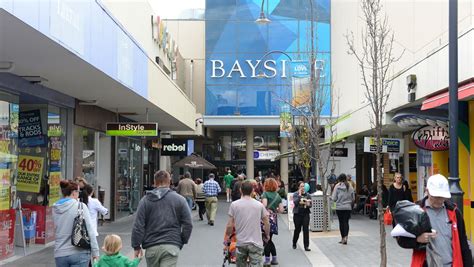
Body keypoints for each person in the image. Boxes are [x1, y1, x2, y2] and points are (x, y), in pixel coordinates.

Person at [397, 174, 472, 266]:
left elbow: (463, 243)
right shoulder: (416, 211)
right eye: (436, 197)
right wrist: (417, 239)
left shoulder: (454, 212)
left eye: (442, 197)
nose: (439, 200)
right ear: (427, 191)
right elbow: (401, 240)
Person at [131, 170, 193, 266]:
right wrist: (182, 240)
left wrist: (136, 246)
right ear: (169, 182)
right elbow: (188, 224)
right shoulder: (180, 200)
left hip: (152, 246)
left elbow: (138, 225)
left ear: (155, 182)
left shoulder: (145, 200)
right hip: (171, 244)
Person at [53, 180, 99, 266]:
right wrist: (95, 253)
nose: (79, 194)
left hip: (60, 253)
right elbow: (90, 231)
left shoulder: (55, 208)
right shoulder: (81, 206)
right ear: (74, 193)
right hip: (79, 252)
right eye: (78, 192)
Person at [225, 181, 270, 267]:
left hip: (241, 242)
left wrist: (227, 236)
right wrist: (267, 235)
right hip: (256, 243)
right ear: (252, 191)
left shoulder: (234, 205)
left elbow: (230, 225)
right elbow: (266, 223)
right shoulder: (259, 205)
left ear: (240, 190)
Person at [260, 178, 283, 266]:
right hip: (274, 218)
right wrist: (274, 209)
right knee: (270, 239)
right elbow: (281, 210)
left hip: (265, 218)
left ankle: (267, 260)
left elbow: (264, 205)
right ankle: (274, 258)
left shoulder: (265, 194)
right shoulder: (278, 196)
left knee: (266, 239)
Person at [331, 174, 355, 245]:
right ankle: (346, 238)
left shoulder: (337, 186)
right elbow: (353, 198)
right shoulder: (350, 186)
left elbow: (334, 198)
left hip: (339, 207)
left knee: (341, 223)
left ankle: (342, 238)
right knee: (346, 222)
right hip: (348, 207)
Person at [292, 181, 312, 251]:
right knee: (297, 229)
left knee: (306, 230)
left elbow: (310, 205)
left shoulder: (308, 195)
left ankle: (306, 246)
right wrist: (300, 195)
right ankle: (294, 242)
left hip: (305, 214)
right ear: (298, 187)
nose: (303, 188)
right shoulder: (295, 194)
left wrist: (308, 204)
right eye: (301, 186)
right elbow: (295, 202)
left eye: (303, 186)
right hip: (297, 214)